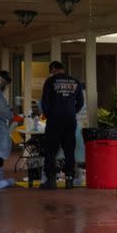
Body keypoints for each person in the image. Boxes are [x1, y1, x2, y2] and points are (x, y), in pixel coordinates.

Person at [40, 60, 83, 189]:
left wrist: (49, 115)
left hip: (54, 119)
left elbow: (45, 102)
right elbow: (80, 103)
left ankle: (51, 180)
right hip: (70, 120)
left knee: (51, 150)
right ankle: (69, 179)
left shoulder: (50, 81)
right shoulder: (75, 82)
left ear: (53, 69)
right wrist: (71, 112)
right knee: (69, 149)